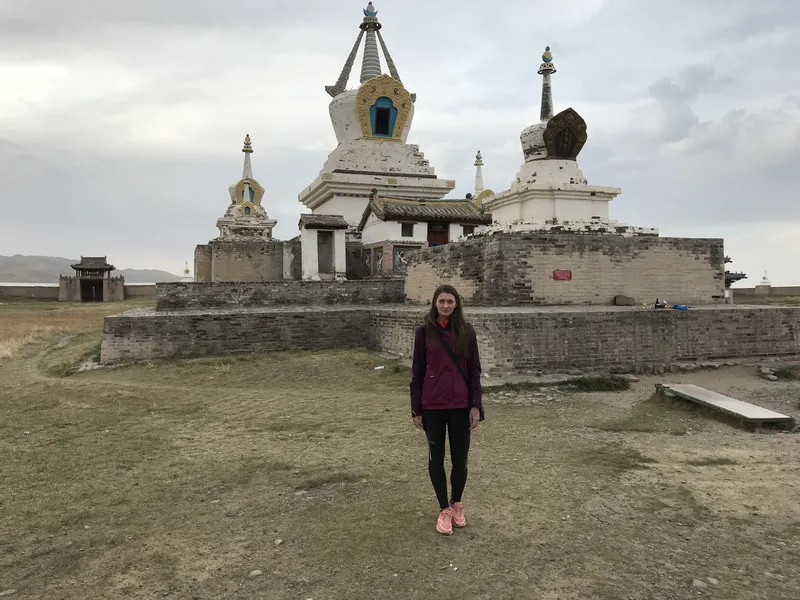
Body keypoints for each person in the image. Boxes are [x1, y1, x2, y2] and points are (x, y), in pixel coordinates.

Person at [410, 284, 483, 535]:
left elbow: (474, 371)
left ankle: (457, 502)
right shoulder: (423, 333)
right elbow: (417, 373)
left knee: (460, 459)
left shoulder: (467, 332)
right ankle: (444, 508)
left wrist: (476, 405)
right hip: (433, 406)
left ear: (456, 304)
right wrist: (415, 409)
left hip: (461, 406)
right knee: (436, 458)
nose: (446, 306)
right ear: (434, 303)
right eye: (441, 301)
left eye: (450, 301)